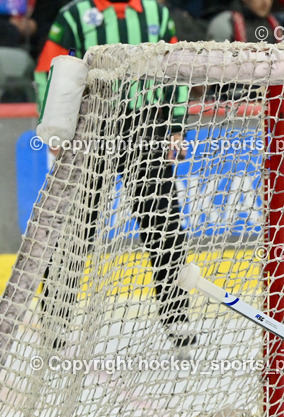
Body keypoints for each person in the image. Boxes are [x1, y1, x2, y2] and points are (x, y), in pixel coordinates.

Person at [34, 0, 195, 353]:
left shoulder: (158, 13)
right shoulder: (74, 15)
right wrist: (56, 127)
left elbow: (180, 70)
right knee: (76, 227)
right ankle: (55, 319)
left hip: (147, 125)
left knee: (164, 223)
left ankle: (177, 314)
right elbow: (49, 68)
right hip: (93, 127)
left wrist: (176, 124)